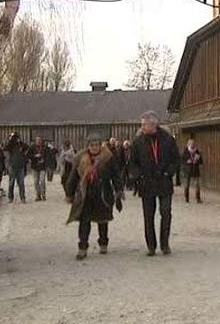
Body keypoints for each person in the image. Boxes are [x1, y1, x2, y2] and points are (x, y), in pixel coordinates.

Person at [64, 133, 124, 260]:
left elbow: (116, 174)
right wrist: (69, 193)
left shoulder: (108, 157)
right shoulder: (80, 158)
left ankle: (103, 243)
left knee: (103, 220)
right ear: (88, 146)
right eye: (92, 145)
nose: (95, 147)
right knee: (84, 221)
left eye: (97, 145)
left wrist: (119, 190)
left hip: (103, 192)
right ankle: (83, 247)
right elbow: (73, 176)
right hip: (86, 193)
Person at [130, 111, 180, 256]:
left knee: (166, 213)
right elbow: (132, 162)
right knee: (148, 215)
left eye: (144, 124)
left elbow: (176, 159)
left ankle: (165, 244)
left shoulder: (167, 139)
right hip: (146, 183)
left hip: (164, 181)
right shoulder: (138, 141)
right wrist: (138, 175)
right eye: (142, 125)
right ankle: (151, 246)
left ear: (153, 125)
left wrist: (168, 172)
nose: (142, 127)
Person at [4, 133, 28, 203]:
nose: (15, 139)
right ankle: (10, 197)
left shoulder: (21, 145)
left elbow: (27, 146)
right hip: (12, 166)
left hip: (20, 166)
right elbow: (5, 148)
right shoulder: (11, 146)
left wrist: (20, 142)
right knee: (11, 183)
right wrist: (10, 139)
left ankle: (22, 198)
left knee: (21, 183)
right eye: (14, 138)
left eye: (16, 137)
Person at [27, 137, 49, 201]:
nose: (39, 141)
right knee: (36, 181)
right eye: (37, 140)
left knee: (42, 181)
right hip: (35, 166)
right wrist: (34, 156)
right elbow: (28, 155)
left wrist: (44, 160)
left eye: (40, 140)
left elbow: (48, 156)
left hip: (42, 167)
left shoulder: (44, 148)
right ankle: (38, 195)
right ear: (35, 141)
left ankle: (43, 194)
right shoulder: (32, 147)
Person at [182, 138, 203, 204]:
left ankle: (198, 198)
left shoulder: (197, 151)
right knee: (186, 185)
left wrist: (197, 160)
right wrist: (187, 161)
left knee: (197, 185)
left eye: (193, 144)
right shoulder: (185, 151)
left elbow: (201, 161)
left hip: (195, 170)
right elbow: (182, 160)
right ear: (188, 144)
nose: (192, 145)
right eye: (191, 144)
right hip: (187, 170)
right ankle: (186, 198)